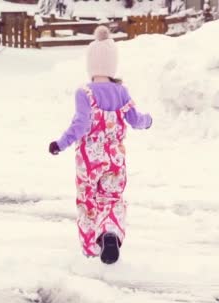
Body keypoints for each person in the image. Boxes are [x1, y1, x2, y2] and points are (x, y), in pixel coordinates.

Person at [48, 26, 152, 264]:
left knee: (88, 200)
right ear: (112, 65)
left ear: (91, 65)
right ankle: (110, 234)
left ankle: (91, 248)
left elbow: (81, 125)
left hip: (89, 160)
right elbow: (136, 119)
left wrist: (60, 143)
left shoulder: (84, 93)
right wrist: (148, 121)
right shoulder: (121, 91)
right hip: (115, 157)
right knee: (112, 198)